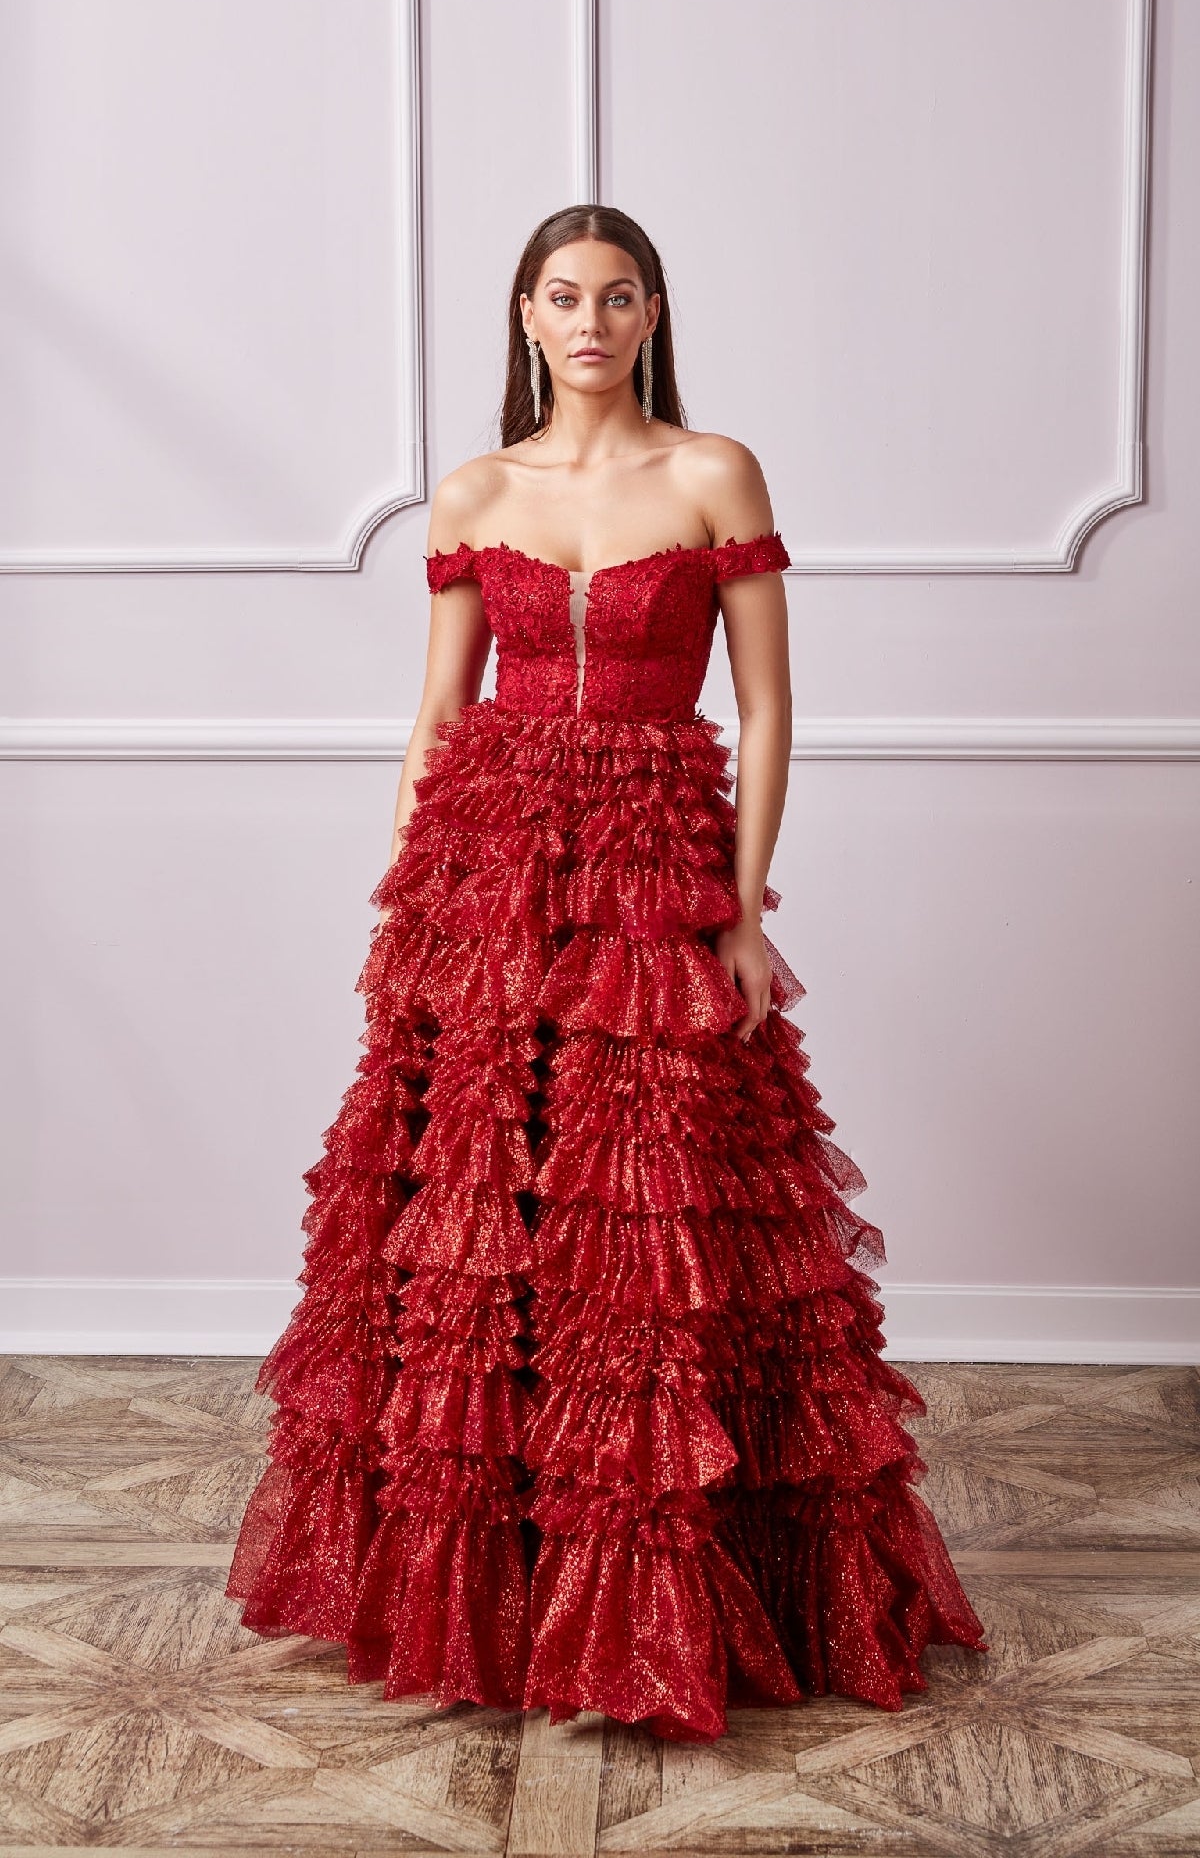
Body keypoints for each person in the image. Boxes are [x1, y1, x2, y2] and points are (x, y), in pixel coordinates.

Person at [225, 202, 988, 1742]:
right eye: (563, 296)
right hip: (490, 874)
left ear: (652, 316)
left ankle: (665, 1577)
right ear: (525, 315)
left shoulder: (714, 474)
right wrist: (410, 902)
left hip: (653, 874)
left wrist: (744, 907)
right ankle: (487, 1585)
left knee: (651, 1221)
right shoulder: (474, 489)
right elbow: (438, 714)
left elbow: (766, 706)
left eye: (618, 297)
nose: (590, 321)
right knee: (480, 1222)